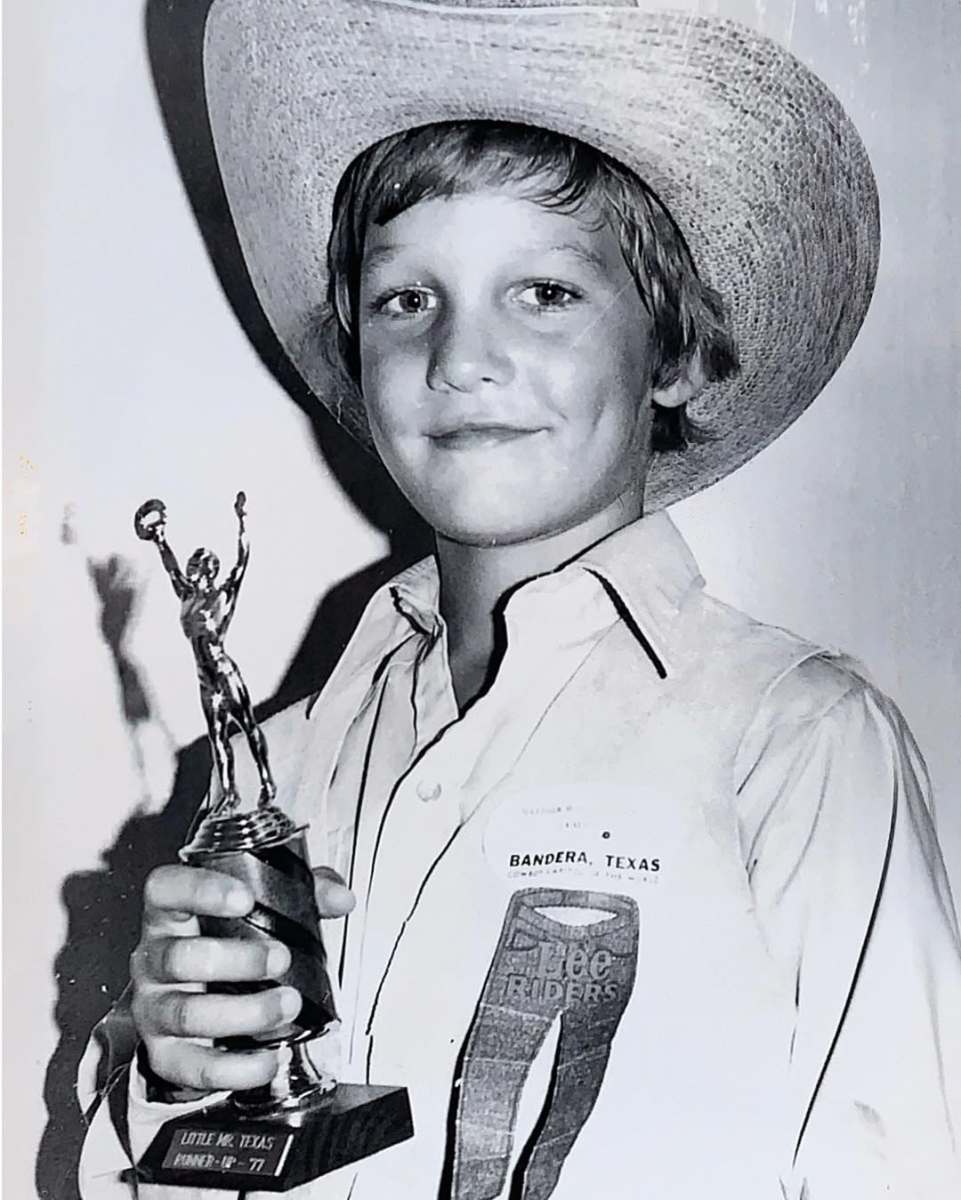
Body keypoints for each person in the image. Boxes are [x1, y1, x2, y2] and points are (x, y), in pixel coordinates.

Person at [78, 2, 961, 1197]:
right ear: (354, 352)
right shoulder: (273, 769)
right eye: (406, 299)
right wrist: (177, 1075)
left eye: (543, 292)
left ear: (676, 355)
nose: (459, 356)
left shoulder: (797, 745)